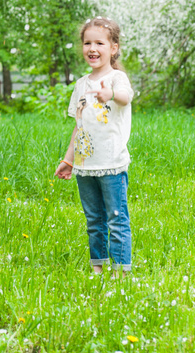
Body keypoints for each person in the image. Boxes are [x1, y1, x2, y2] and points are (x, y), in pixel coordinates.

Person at [54, 17, 135, 278]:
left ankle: (121, 272)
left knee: (116, 218)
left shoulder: (117, 78)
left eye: (99, 42)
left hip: (111, 163)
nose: (92, 48)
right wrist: (68, 160)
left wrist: (110, 94)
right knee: (94, 220)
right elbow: (79, 127)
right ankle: (97, 267)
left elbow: (126, 97)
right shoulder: (80, 84)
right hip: (85, 166)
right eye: (87, 42)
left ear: (113, 48)